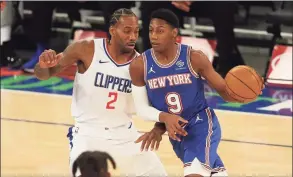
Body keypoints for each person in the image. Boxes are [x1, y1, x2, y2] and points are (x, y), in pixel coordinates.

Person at [130, 9, 264, 177]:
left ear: (174, 33)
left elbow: (225, 91)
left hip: (202, 124)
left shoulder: (194, 58)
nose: (154, 36)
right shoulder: (139, 65)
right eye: (151, 30)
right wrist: (161, 125)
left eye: (160, 30)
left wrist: (249, 92)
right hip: (178, 134)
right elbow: (142, 109)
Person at [34, 8, 167, 177]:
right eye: (127, 31)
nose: (133, 36)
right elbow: (44, 74)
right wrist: (43, 66)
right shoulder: (85, 49)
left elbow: (165, 101)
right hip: (88, 135)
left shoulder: (143, 64)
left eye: (136, 31)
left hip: (125, 135)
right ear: (112, 30)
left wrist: (158, 129)